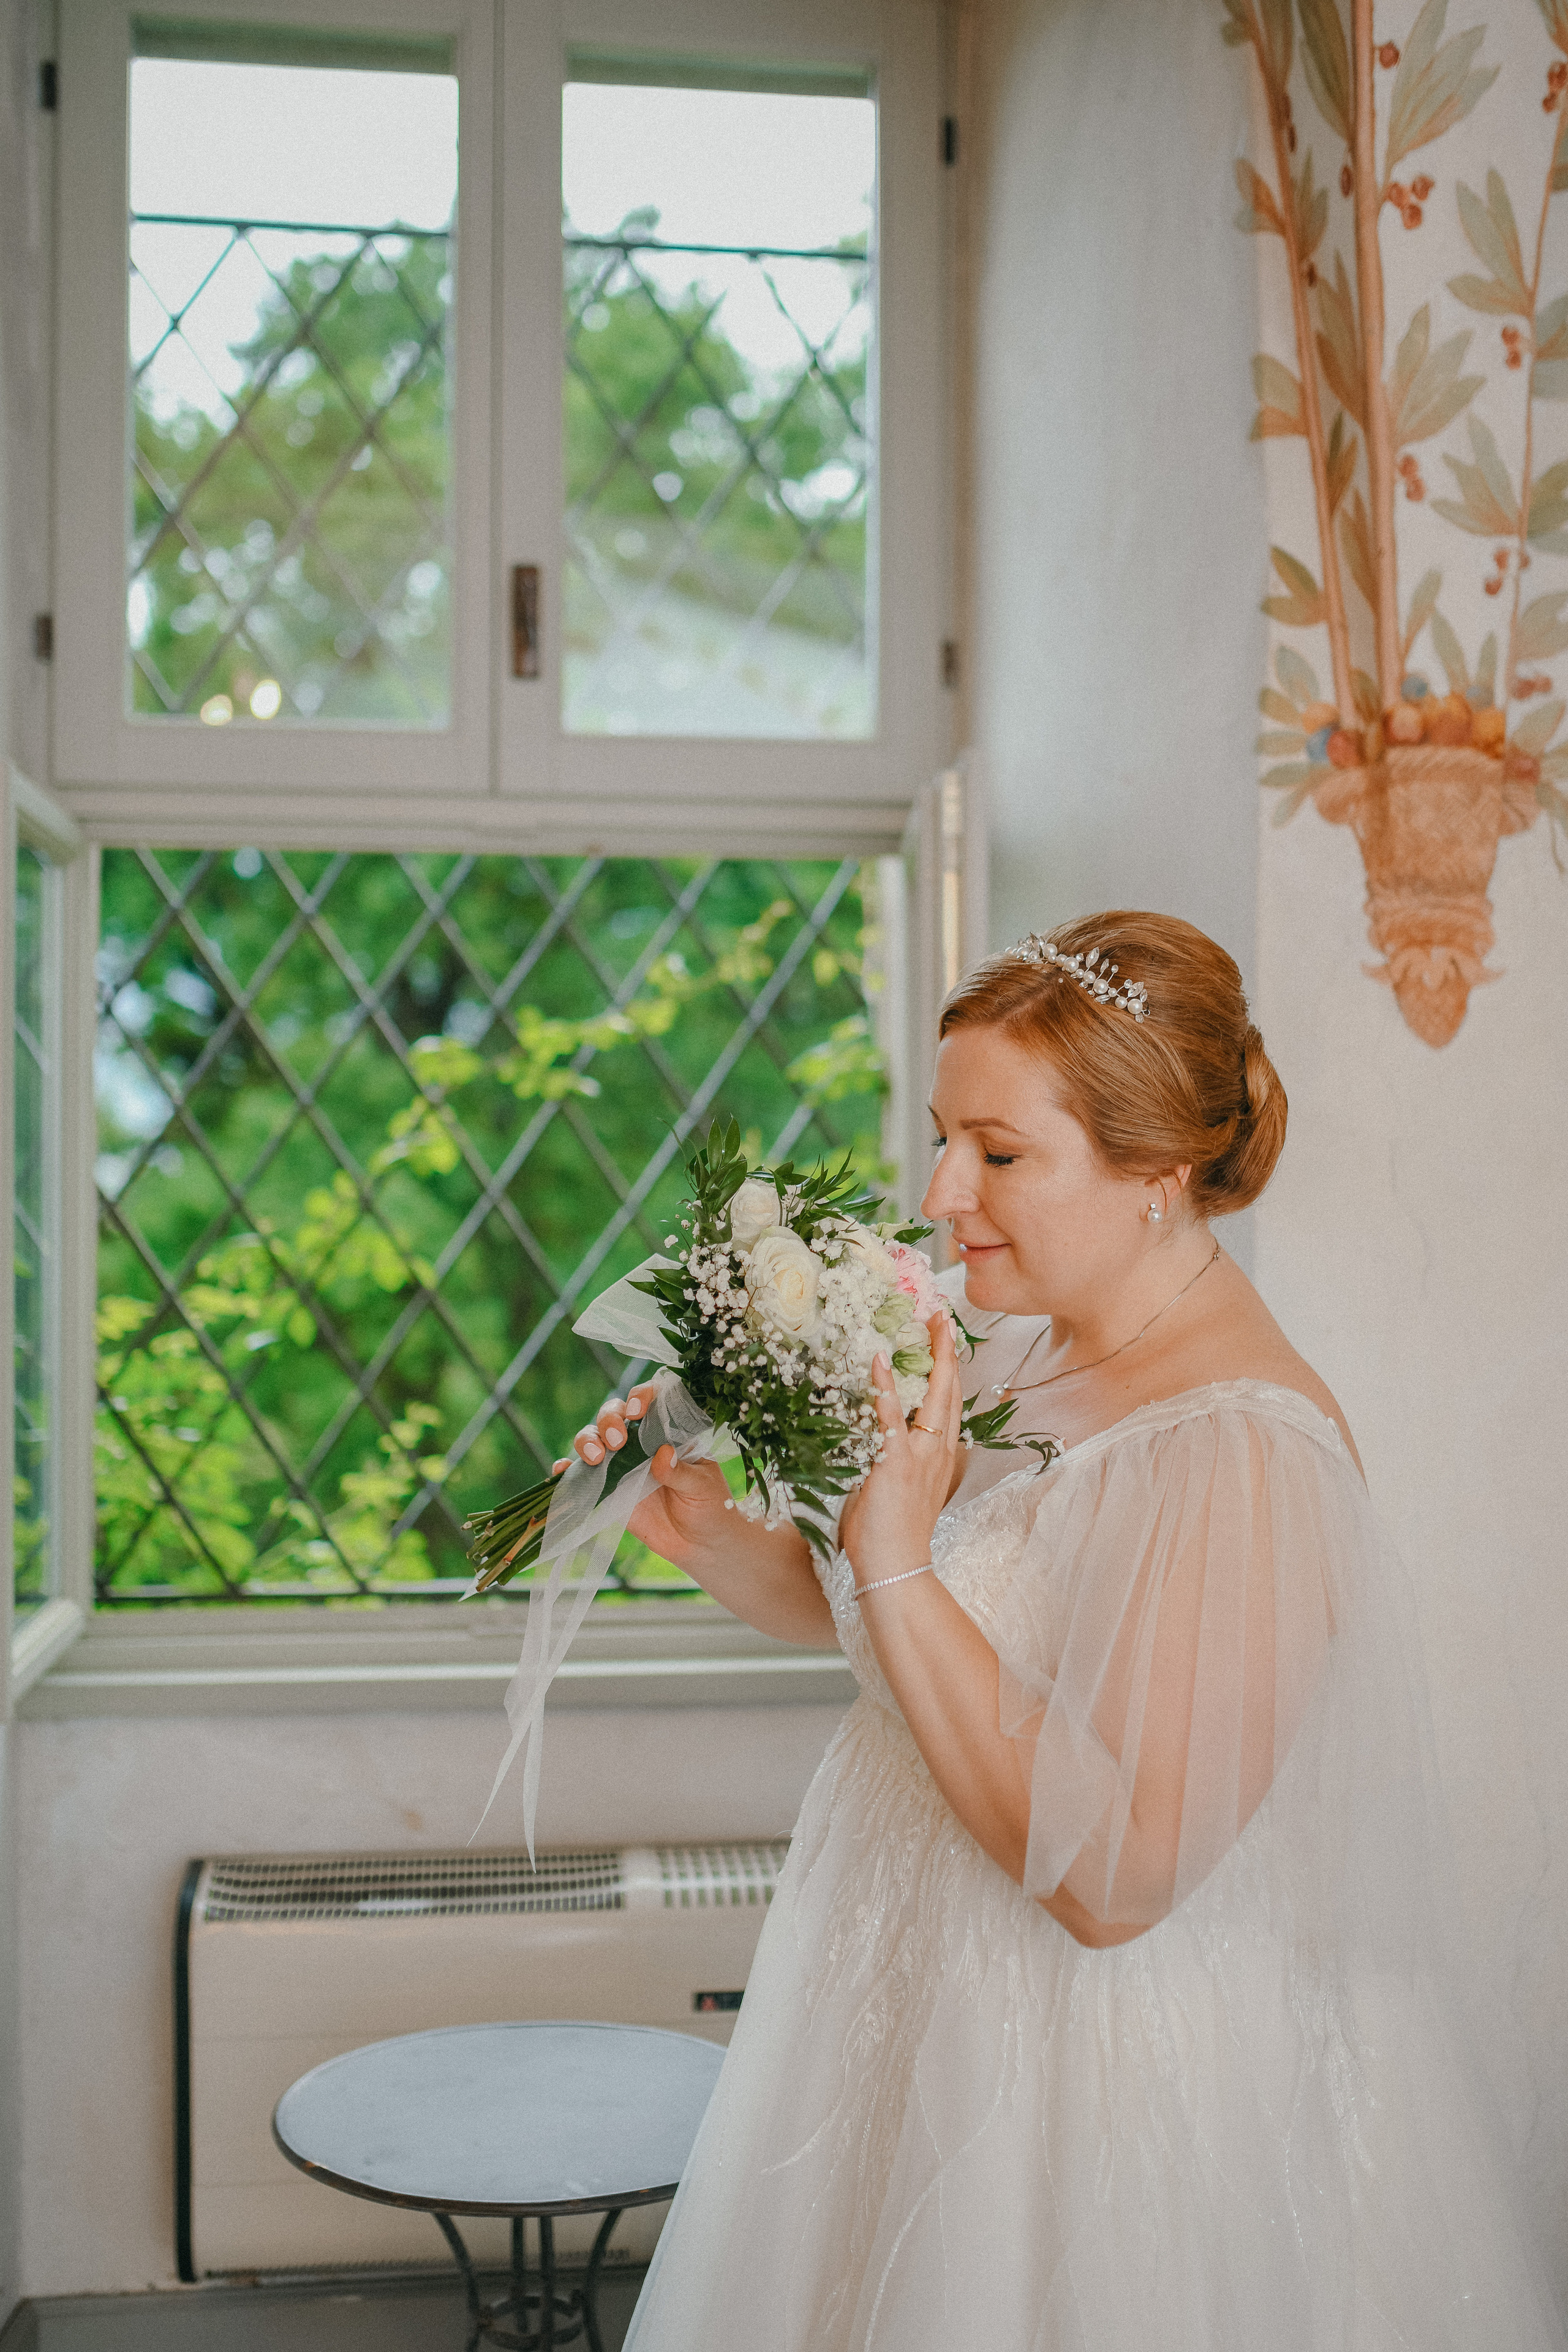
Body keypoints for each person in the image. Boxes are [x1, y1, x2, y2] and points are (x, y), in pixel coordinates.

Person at [566, 913, 1565, 2350]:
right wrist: (714, 1537)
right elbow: (904, 1628)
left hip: (1089, 2080)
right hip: (899, 1993)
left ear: (1154, 1170)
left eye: (998, 1152)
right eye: (941, 1138)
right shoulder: (1022, 1349)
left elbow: (1118, 1879)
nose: (938, 1189)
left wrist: (896, 1554)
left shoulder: (1245, 1453)